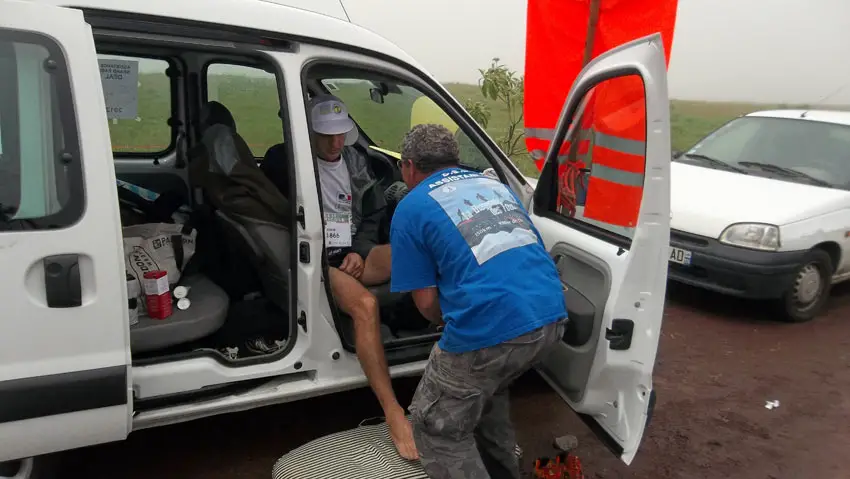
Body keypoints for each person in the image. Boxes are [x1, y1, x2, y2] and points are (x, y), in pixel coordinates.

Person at [390, 124, 569, 478]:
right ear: (454, 160)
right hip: (550, 317)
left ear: (408, 166)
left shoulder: (411, 207)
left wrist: (453, 320)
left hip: (490, 329)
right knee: (486, 392)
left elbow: (426, 304)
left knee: (435, 428)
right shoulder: (495, 187)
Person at [307, 93, 418, 460]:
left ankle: (442, 337)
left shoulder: (356, 160)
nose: (335, 143)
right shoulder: (289, 161)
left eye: (341, 133)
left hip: (353, 252)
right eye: (326, 135)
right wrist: (329, 257)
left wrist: (359, 249)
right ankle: (393, 412)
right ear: (310, 132)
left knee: (417, 254)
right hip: (319, 262)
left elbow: (372, 215)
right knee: (366, 306)